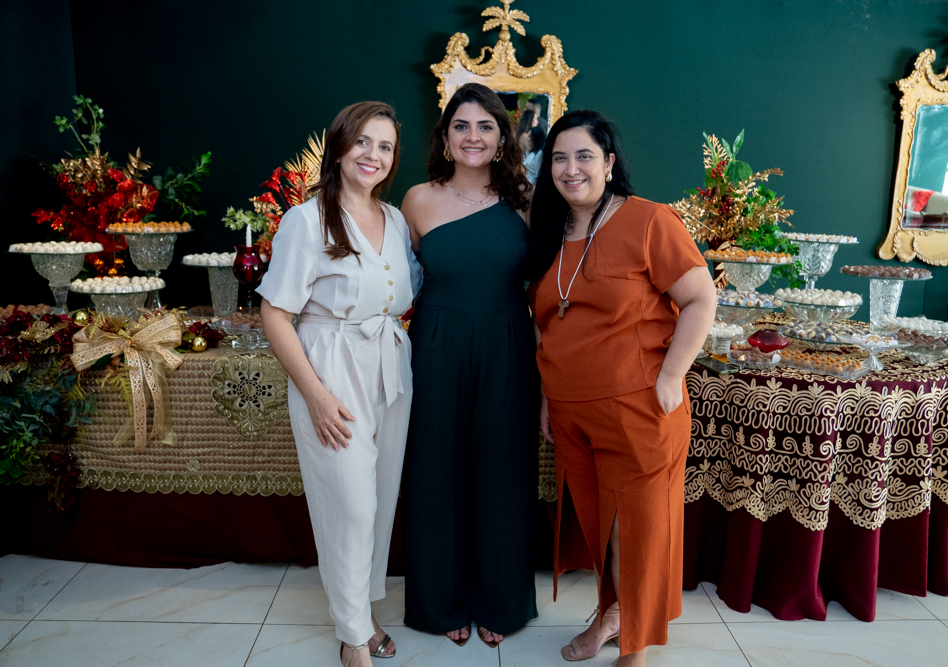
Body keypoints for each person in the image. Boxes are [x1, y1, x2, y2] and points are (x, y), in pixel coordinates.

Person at [527, 110, 716, 666]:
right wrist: (545, 396)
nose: (570, 168)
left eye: (584, 156)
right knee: (602, 526)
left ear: (609, 163)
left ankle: (633, 637)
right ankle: (614, 615)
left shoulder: (648, 220)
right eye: (559, 158)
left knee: (636, 527)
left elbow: (701, 299)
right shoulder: (551, 233)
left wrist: (671, 375)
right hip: (569, 411)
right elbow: (549, 324)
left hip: (638, 405)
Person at [258, 101, 421, 667]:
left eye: (385, 146)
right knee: (347, 506)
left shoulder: (397, 219)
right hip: (332, 370)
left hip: (391, 370)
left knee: (378, 503)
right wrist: (317, 395)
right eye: (363, 142)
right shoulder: (306, 220)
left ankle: (363, 611)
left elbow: (406, 294)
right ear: (339, 145)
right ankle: (353, 635)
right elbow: (275, 313)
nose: (373, 155)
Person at [401, 82, 539, 649]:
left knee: (503, 471)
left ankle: (501, 602)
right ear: (445, 136)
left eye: (486, 126)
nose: (473, 136)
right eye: (462, 126)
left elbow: (545, 289)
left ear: (503, 137)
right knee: (437, 472)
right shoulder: (416, 199)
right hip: (435, 344)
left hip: (508, 341)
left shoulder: (528, 201)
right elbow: (397, 283)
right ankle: (440, 603)